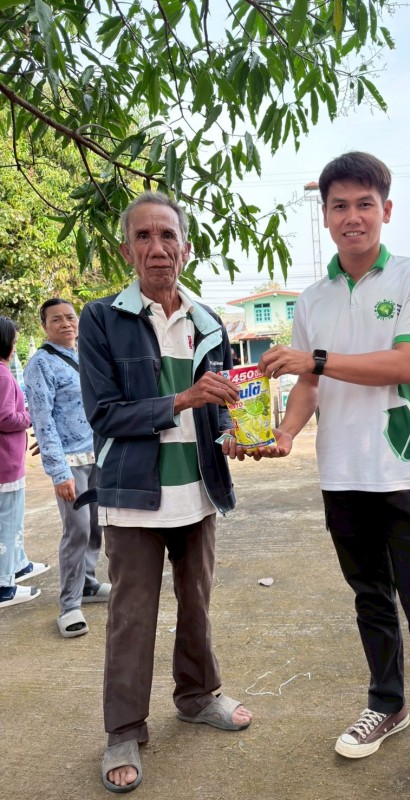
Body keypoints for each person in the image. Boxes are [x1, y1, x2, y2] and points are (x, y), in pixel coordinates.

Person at [231, 152, 410, 800]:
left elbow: (406, 365)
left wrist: (315, 359)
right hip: (343, 477)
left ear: (386, 210)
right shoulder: (313, 299)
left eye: (364, 204)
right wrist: (285, 433)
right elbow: (308, 385)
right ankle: (388, 705)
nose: (352, 217)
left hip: (409, 476)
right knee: (371, 601)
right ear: (325, 216)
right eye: (339, 206)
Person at [76, 192, 252, 793]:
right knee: (131, 616)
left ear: (186, 247)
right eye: (144, 237)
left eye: (167, 236)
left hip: (198, 492)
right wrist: (182, 399)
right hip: (133, 495)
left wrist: (233, 434)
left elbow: (217, 405)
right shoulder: (102, 318)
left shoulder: (208, 321)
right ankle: (124, 730)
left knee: (197, 602)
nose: (157, 248)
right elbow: (104, 413)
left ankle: (198, 696)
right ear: (127, 250)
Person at [23, 299, 109, 638]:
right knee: (77, 531)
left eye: (70, 317)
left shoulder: (85, 355)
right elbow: (42, 421)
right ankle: (69, 605)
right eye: (56, 319)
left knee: (96, 526)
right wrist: (58, 472)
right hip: (70, 463)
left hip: (97, 455)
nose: (66, 324)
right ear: (44, 326)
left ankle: (88, 584)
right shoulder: (40, 364)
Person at [0, 316, 49, 607]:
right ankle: (4, 585)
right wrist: (29, 416)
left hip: (6, 462)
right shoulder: (3, 375)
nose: (15, 346)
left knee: (11, 520)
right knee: (8, 523)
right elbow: (6, 417)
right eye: (14, 341)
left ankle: (18, 565)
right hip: (5, 463)